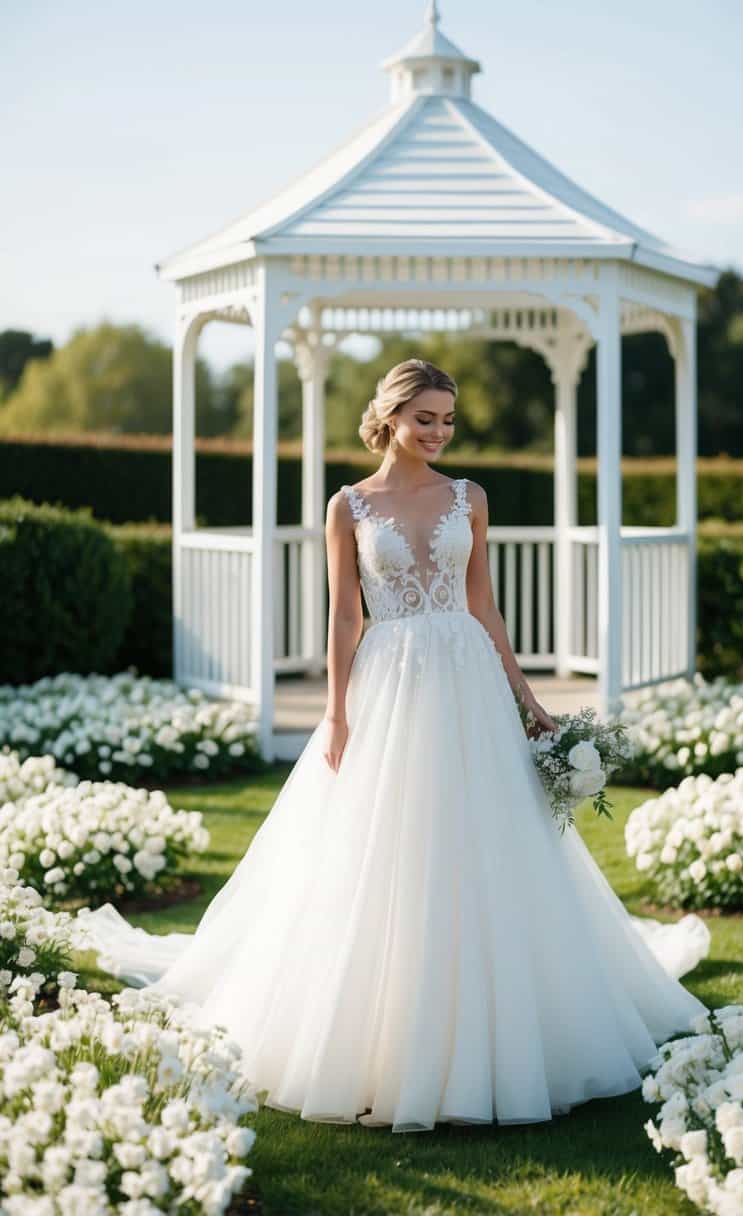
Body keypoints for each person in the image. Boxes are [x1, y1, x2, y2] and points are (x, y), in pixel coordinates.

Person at [83, 358, 710, 1133]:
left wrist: (526, 696)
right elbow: (345, 617)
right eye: (426, 419)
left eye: (448, 419)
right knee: (381, 846)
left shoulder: (469, 499)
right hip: (386, 683)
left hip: (468, 682)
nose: (440, 433)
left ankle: (505, 1020)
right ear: (388, 417)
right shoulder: (347, 505)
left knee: (484, 842)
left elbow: (484, 605)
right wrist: (340, 716)